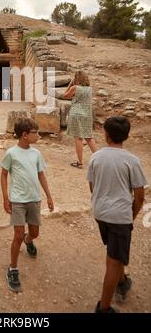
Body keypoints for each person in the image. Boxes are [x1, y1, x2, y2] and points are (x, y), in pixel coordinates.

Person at [87, 116, 147, 313]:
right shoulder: (132, 160)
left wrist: (101, 202)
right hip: (119, 216)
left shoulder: (96, 156)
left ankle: (122, 282)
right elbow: (139, 196)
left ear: (106, 135)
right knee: (113, 260)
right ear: (127, 136)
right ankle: (103, 308)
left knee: (115, 253)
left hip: (100, 212)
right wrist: (131, 216)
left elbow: (92, 186)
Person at [1, 118, 54, 292]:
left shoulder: (36, 154)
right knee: (17, 235)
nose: (38, 135)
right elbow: (3, 175)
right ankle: (13, 268)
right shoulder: (11, 153)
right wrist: (5, 198)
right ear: (24, 135)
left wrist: (49, 196)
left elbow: (41, 175)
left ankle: (28, 240)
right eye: (35, 132)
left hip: (34, 199)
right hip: (17, 200)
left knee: (34, 232)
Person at [62, 70, 97, 168]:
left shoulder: (74, 88)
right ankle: (100, 160)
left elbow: (65, 95)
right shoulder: (89, 89)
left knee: (78, 138)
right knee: (89, 137)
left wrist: (70, 85)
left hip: (76, 113)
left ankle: (80, 162)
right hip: (87, 114)